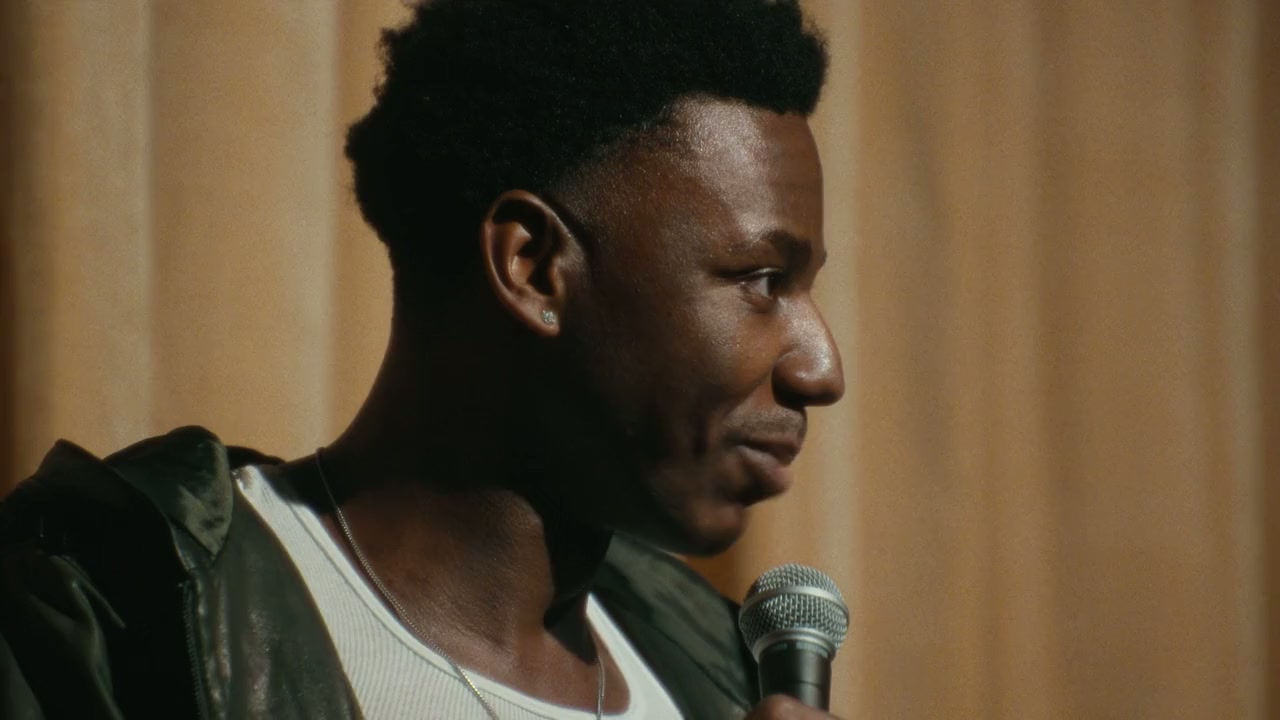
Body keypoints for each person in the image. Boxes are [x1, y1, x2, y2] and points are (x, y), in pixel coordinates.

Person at [0, 0, 845, 717]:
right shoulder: (116, 609)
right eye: (762, 280)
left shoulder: (716, 671)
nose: (820, 368)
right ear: (533, 268)